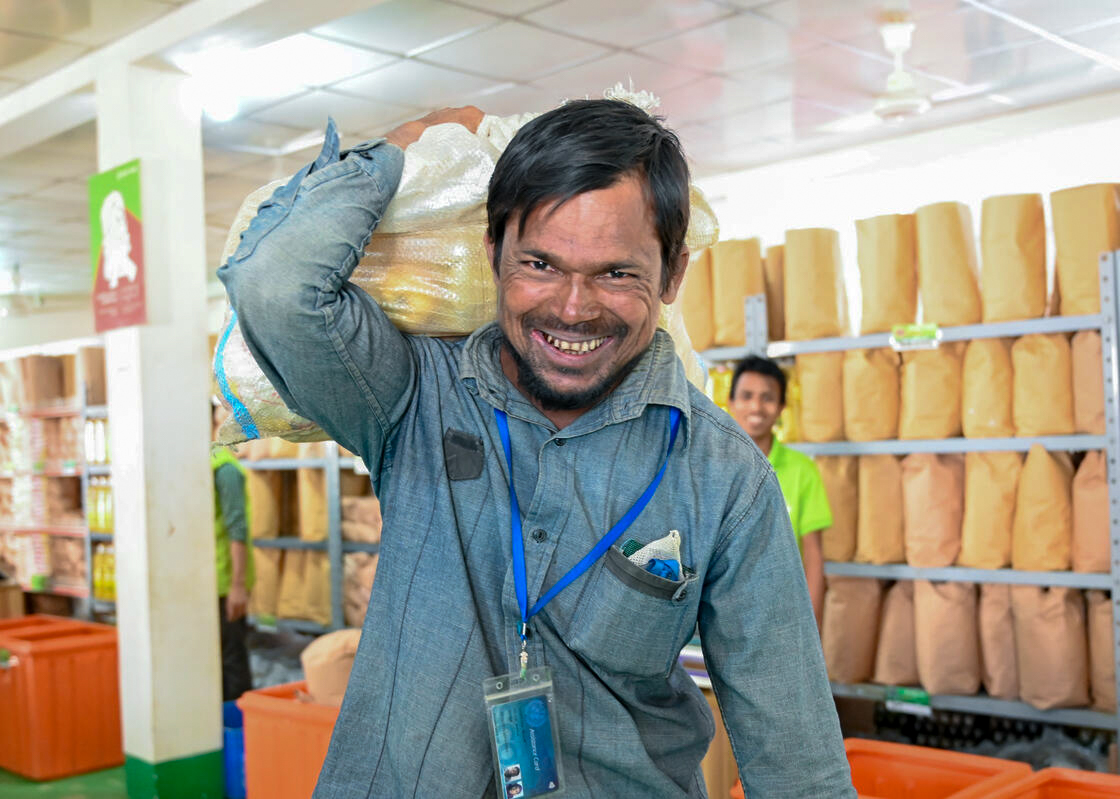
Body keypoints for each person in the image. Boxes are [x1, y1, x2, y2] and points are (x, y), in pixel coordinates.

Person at [219, 100, 853, 797]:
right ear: (494, 255)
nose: (573, 307)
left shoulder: (725, 476)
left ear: (672, 275)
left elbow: (796, 758)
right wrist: (398, 150)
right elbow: (276, 288)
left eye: (616, 273)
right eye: (541, 263)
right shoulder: (415, 397)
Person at [727, 356, 832, 626]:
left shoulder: (802, 470)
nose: (756, 406)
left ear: (782, 407)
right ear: (730, 402)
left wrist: (811, 625)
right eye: (746, 395)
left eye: (768, 397)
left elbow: (813, 557)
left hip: (781, 615)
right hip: (722, 614)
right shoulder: (711, 467)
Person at [212, 403, 254, 701]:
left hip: (226, 583)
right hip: (209, 582)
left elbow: (236, 528)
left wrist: (238, 586)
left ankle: (237, 736)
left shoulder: (224, 467)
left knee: (232, 662)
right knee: (215, 664)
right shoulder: (203, 464)